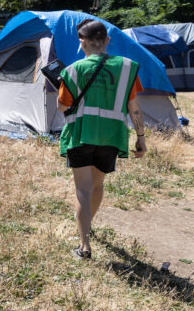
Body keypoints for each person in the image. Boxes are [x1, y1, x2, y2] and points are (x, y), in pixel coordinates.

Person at [57, 18, 147, 259]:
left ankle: (84, 246)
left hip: (81, 135)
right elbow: (134, 106)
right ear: (107, 40)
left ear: (81, 42)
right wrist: (141, 138)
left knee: (83, 190)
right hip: (112, 137)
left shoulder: (73, 70)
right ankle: (88, 225)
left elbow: (62, 106)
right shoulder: (128, 68)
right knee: (97, 186)